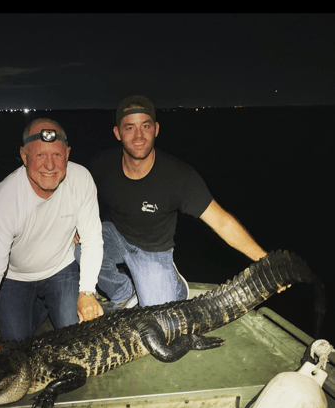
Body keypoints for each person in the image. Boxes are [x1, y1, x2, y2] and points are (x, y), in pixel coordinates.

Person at [89, 95, 270, 309]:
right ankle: (123, 291)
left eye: (145, 126)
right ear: (117, 133)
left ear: (156, 129)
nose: (139, 136)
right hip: (116, 236)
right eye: (129, 128)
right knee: (79, 242)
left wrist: (266, 262)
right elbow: (75, 194)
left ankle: (175, 284)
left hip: (153, 250)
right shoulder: (101, 165)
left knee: (159, 317)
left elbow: (223, 223)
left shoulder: (179, 176)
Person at [0, 118, 104, 366]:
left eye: (57, 154)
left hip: (61, 269)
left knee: (75, 340)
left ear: (67, 154)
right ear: (24, 156)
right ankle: (43, 307)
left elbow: (92, 239)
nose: (49, 165)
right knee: (16, 350)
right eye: (39, 155)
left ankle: (53, 305)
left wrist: (87, 291)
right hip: (15, 278)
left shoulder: (82, 179)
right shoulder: (6, 198)